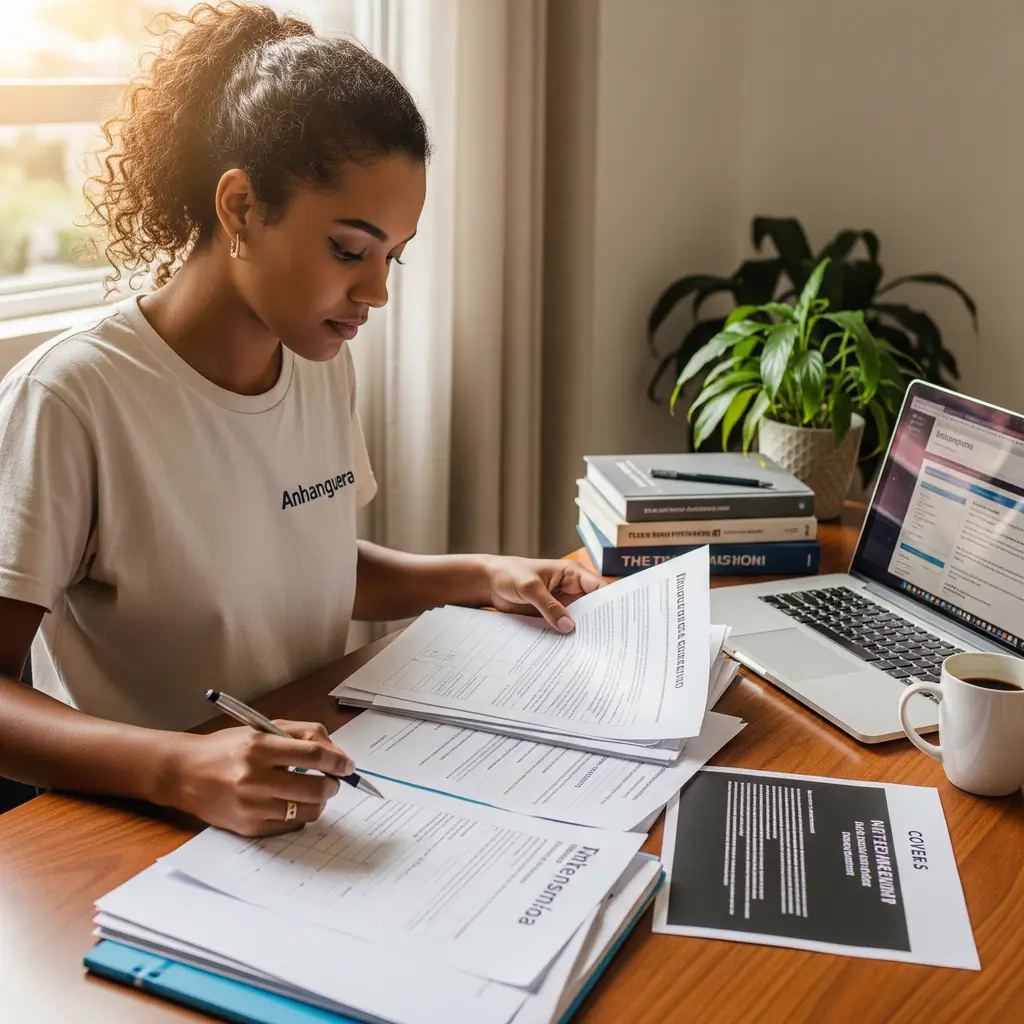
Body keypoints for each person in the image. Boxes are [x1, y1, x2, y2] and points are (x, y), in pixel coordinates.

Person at [0, 1, 603, 837]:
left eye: (393, 256)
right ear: (242, 207)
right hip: (137, 826)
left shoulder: (317, 362)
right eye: (350, 251)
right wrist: (180, 767)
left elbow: (301, 555)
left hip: (307, 790)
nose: (377, 293)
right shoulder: (71, 399)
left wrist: (481, 574)